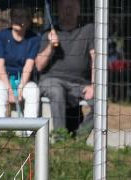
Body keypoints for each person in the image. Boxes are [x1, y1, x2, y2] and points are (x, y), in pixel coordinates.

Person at [34, 0, 94, 134]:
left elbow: (96, 58)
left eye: (72, 7)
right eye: (64, 7)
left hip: (80, 84)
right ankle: (60, 137)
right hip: (52, 81)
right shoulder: (48, 32)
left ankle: (79, 138)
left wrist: (94, 85)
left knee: (100, 100)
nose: (68, 11)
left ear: (78, 10)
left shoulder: (89, 29)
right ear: (58, 10)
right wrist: (50, 46)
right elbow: (38, 66)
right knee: (56, 90)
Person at [0, 8, 40, 120]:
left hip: (22, 80)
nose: (18, 19)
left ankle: (30, 132)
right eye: (15, 16)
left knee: (34, 90)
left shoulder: (34, 39)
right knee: (0, 89)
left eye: (22, 16)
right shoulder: (1, 36)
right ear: (11, 18)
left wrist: (19, 89)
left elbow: (29, 66)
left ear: (29, 20)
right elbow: (0, 67)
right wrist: (10, 91)